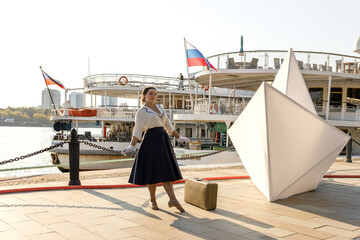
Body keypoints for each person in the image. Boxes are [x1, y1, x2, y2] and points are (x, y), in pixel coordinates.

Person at [122, 86, 190, 212]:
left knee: (166, 171)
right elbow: (137, 130)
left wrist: (180, 137)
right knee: (151, 172)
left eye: (155, 94)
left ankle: (172, 199)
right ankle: (153, 200)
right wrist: (131, 146)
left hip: (163, 140)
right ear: (144, 96)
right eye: (151, 94)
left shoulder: (160, 108)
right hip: (150, 141)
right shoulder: (141, 112)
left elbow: (168, 125)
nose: (153, 96)